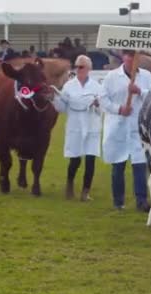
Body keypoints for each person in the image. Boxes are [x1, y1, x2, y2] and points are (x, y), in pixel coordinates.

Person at [100, 50, 151, 211]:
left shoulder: (146, 76)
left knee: (140, 165)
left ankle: (141, 201)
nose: (132, 60)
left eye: (135, 57)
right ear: (124, 57)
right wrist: (119, 109)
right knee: (118, 166)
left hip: (138, 126)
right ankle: (118, 201)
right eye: (129, 56)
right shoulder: (111, 77)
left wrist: (140, 91)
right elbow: (103, 99)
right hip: (118, 127)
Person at [53, 55, 103, 201]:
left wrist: (98, 105)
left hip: (92, 125)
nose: (78, 69)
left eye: (81, 67)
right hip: (75, 126)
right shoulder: (68, 86)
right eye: (76, 66)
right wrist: (54, 99)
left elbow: (103, 109)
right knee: (75, 160)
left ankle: (85, 192)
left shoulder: (97, 87)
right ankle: (69, 185)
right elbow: (62, 108)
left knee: (90, 159)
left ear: (88, 69)